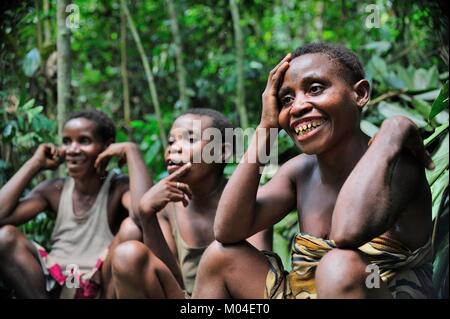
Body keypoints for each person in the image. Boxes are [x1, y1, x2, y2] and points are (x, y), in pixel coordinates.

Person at [191, 43, 436, 299]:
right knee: (220, 256)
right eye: (286, 99)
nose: (297, 107)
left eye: (315, 89)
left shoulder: (395, 163)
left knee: (338, 266)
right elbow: (227, 230)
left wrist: (391, 133)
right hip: (304, 293)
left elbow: (346, 233)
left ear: (360, 93)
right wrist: (266, 126)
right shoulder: (299, 171)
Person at [111, 108, 272, 298]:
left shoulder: (249, 200)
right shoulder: (166, 205)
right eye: (171, 141)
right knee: (127, 253)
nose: (175, 148)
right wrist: (147, 214)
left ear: (221, 152)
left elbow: (260, 285)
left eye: (190, 140)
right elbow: (169, 283)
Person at [0, 110, 148, 298]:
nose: (72, 149)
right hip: (55, 284)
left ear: (107, 147)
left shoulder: (118, 187)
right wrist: (35, 163)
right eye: (67, 141)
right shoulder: (54, 189)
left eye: (84, 141)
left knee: (131, 229)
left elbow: (143, 215)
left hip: (100, 285)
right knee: (4, 237)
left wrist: (131, 151)